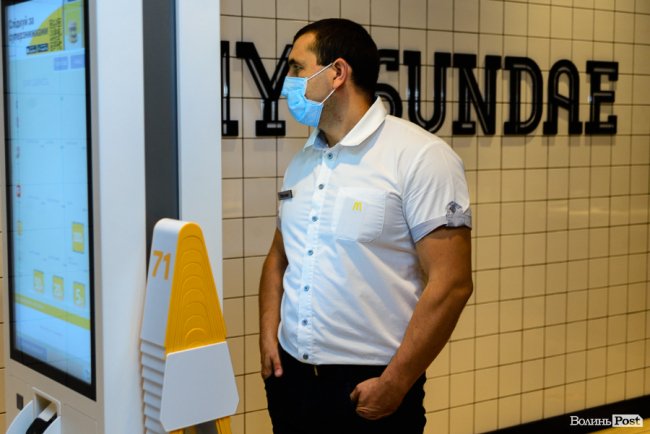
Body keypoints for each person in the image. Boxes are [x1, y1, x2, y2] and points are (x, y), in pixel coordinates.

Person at [259, 18, 473, 434]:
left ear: (337, 73)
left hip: (368, 386)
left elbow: (452, 284)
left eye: (298, 68)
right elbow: (278, 257)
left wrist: (395, 382)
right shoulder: (303, 161)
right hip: (291, 381)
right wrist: (269, 335)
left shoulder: (420, 156)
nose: (287, 83)